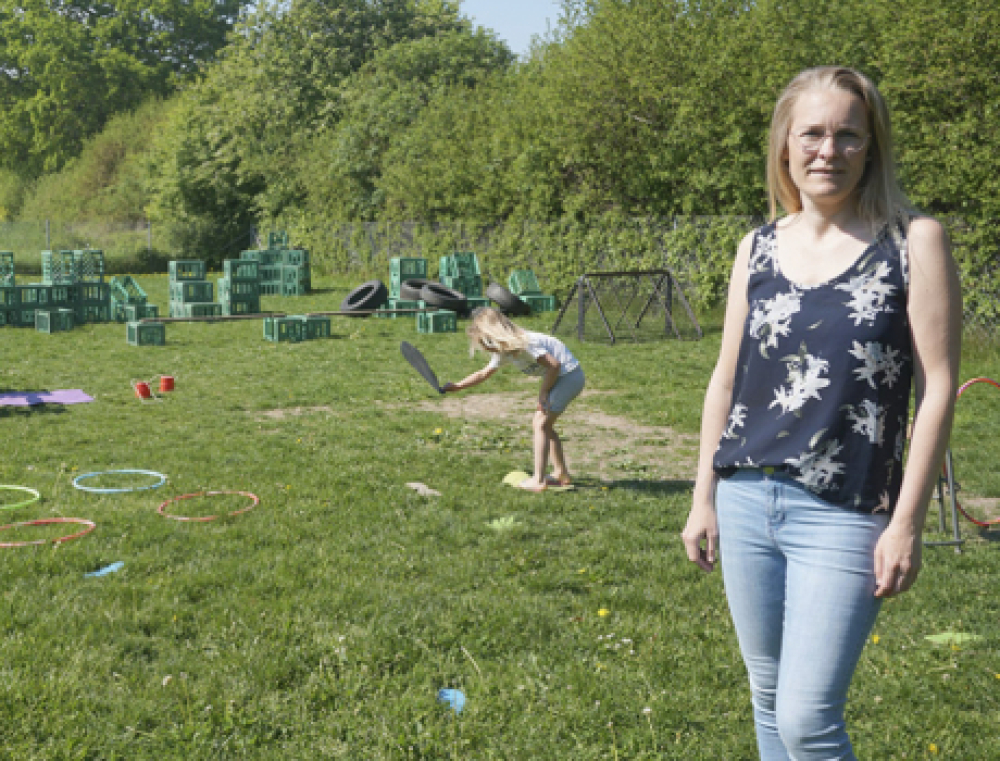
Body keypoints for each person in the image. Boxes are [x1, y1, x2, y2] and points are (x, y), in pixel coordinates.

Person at [681, 66, 961, 760]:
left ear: (872, 145)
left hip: (845, 508)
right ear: (785, 144)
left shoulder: (913, 241)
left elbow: (940, 387)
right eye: (812, 133)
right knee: (769, 701)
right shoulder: (759, 247)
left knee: (808, 720)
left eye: (847, 135)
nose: (827, 151)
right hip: (746, 498)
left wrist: (907, 524)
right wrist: (703, 497)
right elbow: (725, 380)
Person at [443, 307, 585, 492]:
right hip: (562, 377)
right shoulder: (505, 350)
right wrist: (458, 386)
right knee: (545, 425)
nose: (485, 347)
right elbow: (484, 373)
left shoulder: (526, 343)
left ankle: (538, 480)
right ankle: (560, 473)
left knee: (540, 423)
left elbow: (554, 365)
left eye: (485, 341)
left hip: (569, 376)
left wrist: (543, 393)